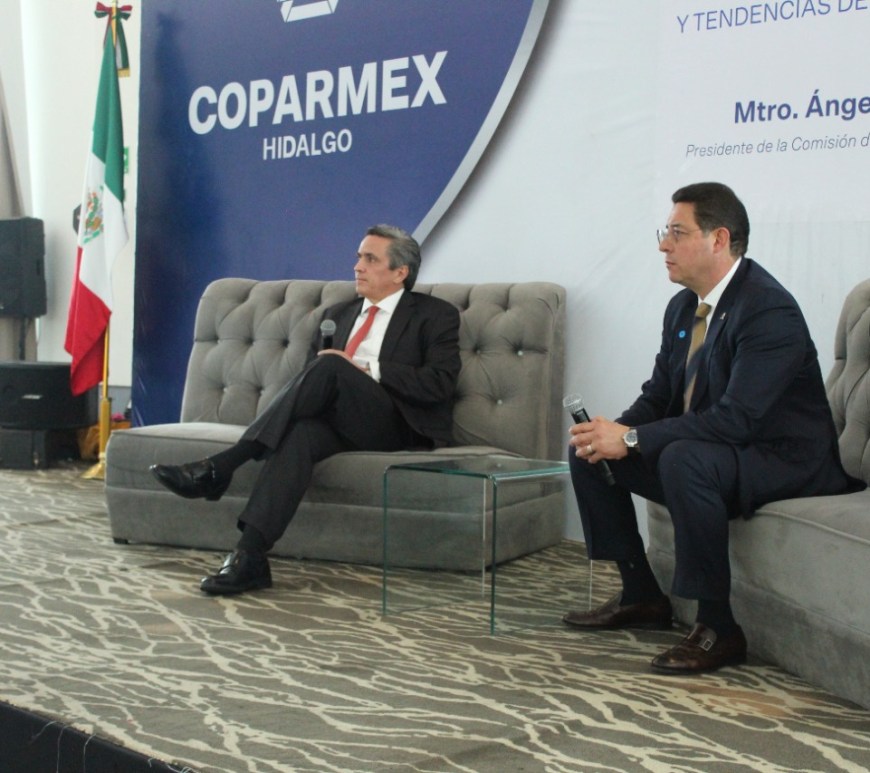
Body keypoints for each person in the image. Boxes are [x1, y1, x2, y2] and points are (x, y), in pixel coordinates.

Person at [563, 182, 861, 674]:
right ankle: (640, 594)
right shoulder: (684, 307)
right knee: (589, 450)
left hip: (785, 458)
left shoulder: (768, 308)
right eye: (664, 232)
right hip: (725, 450)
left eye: (677, 233)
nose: (664, 245)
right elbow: (660, 396)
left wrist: (632, 439)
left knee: (684, 458)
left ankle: (718, 628)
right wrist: (613, 431)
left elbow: (738, 419)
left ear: (719, 238)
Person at [150, 224, 461, 595]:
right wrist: (338, 368)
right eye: (358, 257)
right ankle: (250, 557)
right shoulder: (338, 314)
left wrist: (366, 368)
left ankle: (225, 464)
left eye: (370, 259)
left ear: (400, 272)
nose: (357, 266)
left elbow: (440, 384)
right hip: (338, 420)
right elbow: (310, 382)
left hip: (396, 423)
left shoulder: (434, 315)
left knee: (332, 364)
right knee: (299, 435)